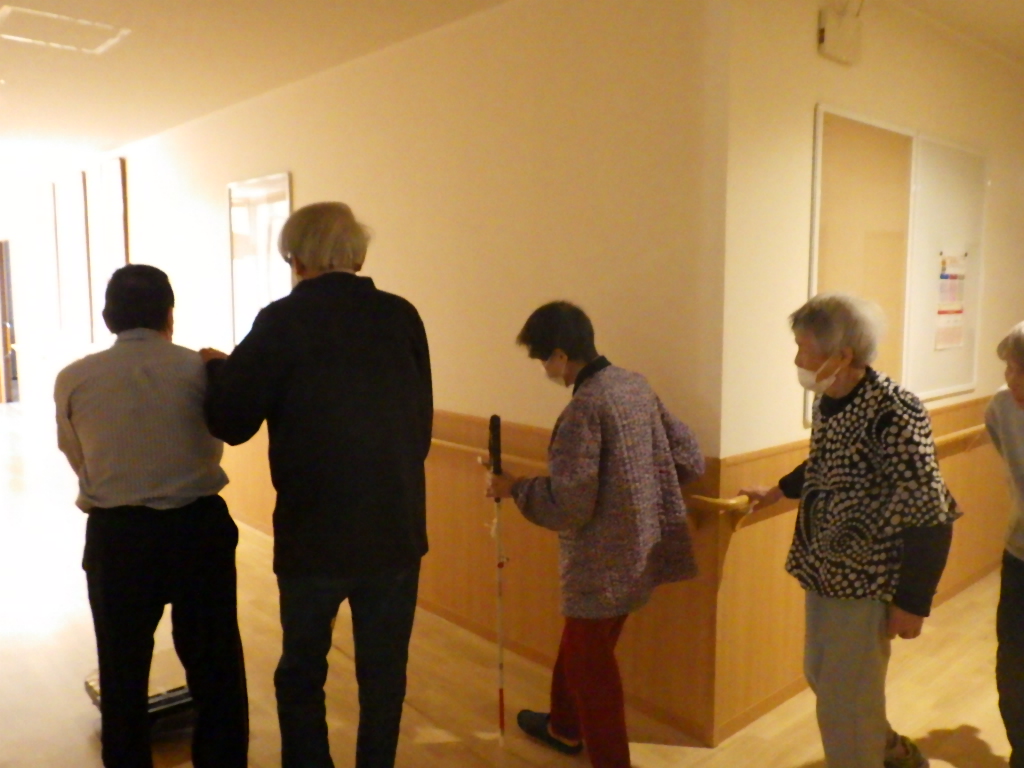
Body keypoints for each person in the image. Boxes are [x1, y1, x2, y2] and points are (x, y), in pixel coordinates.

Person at [201, 202, 432, 768]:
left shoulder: (282, 320)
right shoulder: (402, 316)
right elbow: (420, 426)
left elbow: (231, 420)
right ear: (358, 256)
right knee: (384, 676)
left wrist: (217, 369)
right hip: (395, 528)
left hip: (314, 533)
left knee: (302, 672)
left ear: (296, 258)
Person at [741, 293, 959, 768]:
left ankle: (871, 755)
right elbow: (824, 462)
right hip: (823, 567)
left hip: (866, 577)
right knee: (824, 676)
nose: (797, 360)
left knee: (846, 700)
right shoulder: (831, 399)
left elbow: (931, 511)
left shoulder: (895, 411)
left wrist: (913, 602)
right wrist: (776, 491)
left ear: (842, 355)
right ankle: (891, 752)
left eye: (805, 349)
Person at [485, 300, 704, 768]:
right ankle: (564, 727)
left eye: (543, 359)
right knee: (584, 645)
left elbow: (570, 505)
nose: (544, 369)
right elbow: (688, 456)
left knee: (592, 669)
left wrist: (514, 487)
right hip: (641, 550)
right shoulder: (634, 385)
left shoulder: (584, 408)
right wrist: (643, 495)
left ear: (561, 355)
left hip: (600, 563)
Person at [54, 264, 248, 768]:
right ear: (169, 315)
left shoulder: (74, 378)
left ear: (108, 317)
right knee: (216, 671)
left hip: (118, 536)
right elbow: (226, 429)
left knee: (122, 674)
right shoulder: (200, 369)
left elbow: (78, 456)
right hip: (198, 528)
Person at [985, 321, 1024, 768]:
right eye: (1009, 368)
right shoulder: (1001, 407)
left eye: (1022, 370)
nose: (1012, 380)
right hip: (1020, 553)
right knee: (1013, 663)